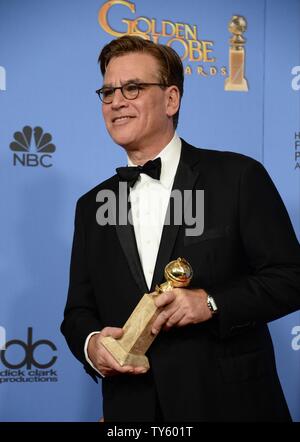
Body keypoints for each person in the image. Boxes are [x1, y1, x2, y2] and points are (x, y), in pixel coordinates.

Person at [61, 35, 300, 422]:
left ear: (171, 99)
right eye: (107, 92)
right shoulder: (91, 206)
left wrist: (210, 302)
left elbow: (292, 277)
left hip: (229, 405)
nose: (116, 101)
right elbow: (77, 311)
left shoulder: (238, 177)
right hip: (131, 410)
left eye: (133, 88)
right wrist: (92, 345)